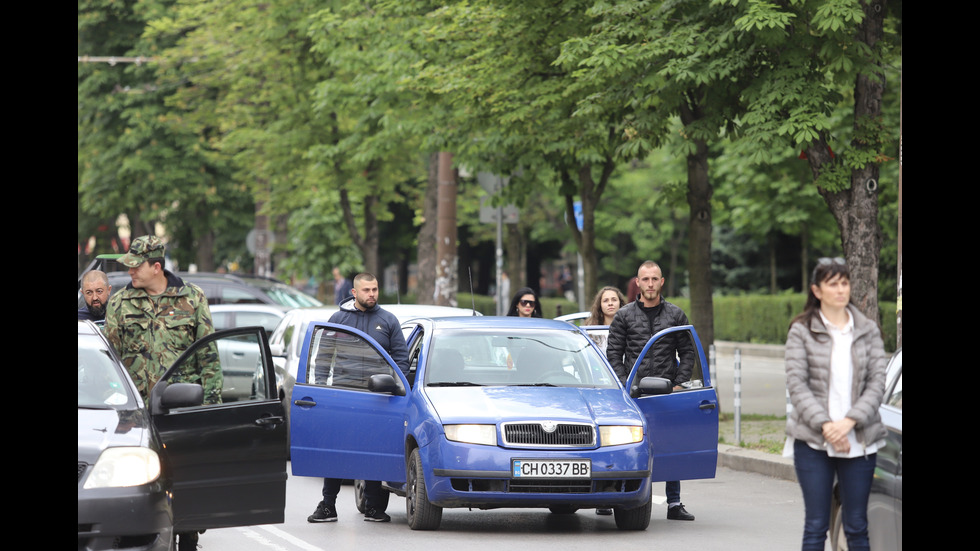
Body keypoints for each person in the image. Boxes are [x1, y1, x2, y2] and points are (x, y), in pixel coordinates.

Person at [104, 235, 221, 551]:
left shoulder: (192, 299)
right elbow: (109, 362)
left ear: (156, 266)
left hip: (179, 409)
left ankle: (188, 535)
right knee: (136, 477)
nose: (130, 272)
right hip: (135, 414)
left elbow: (208, 358)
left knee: (183, 475)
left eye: (136, 266)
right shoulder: (119, 303)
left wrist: (210, 409)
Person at [784, 257, 887, 551]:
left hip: (860, 439)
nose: (841, 290)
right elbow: (797, 384)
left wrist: (848, 423)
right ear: (817, 291)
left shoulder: (867, 330)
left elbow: (877, 383)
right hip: (813, 441)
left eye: (844, 283)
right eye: (833, 284)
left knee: (856, 526)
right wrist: (827, 426)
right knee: (816, 526)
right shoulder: (801, 330)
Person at [308, 272, 410, 524]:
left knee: (373, 450)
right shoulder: (338, 319)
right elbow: (323, 358)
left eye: (375, 289)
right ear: (354, 293)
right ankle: (328, 505)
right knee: (336, 450)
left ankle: (373, 506)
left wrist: (396, 388)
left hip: (377, 398)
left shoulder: (388, 321)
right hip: (343, 396)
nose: (372, 294)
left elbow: (401, 360)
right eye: (366, 290)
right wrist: (321, 389)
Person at [606, 260, 696, 521]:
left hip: (666, 392)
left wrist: (679, 382)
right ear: (638, 282)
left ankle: (674, 503)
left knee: (670, 444)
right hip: (633, 394)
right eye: (645, 279)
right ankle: (614, 496)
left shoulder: (676, 315)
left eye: (654, 279)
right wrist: (626, 385)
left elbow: (688, 352)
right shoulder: (624, 315)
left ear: (662, 282)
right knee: (626, 444)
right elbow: (614, 354)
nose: (650, 284)